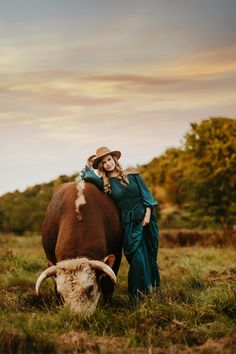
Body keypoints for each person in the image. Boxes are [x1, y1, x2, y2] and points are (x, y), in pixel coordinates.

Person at [80, 146, 160, 298]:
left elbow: (146, 194)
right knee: (136, 258)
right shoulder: (105, 183)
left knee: (148, 255)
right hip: (128, 224)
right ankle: (137, 295)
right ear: (102, 166)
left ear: (114, 159)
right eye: (103, 162)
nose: (107, 163)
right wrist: (88, 164)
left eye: (109, 159)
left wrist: (148, 214)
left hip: (145, 218)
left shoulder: (132, 173)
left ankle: (151, 291)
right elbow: (87, 176)